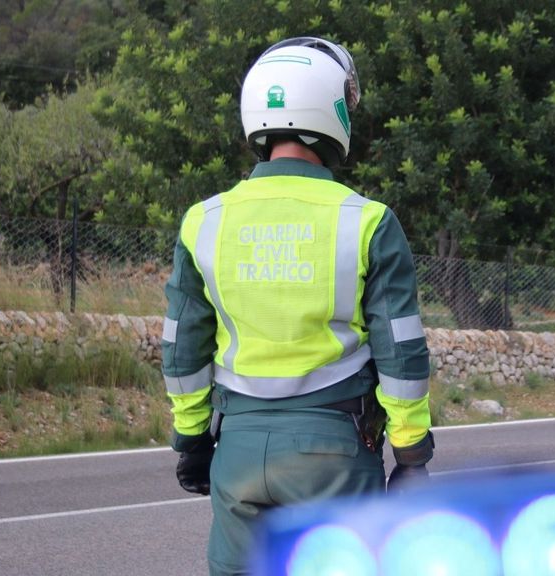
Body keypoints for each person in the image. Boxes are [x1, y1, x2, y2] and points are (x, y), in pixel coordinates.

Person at [160, 36, 434, 575]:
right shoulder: (368, 220)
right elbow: (401, 352)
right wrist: (411, 455)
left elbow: (182, 348)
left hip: (237, 452)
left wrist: (190, 440)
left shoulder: (204, 221)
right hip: (333, 453)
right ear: (331, 114)